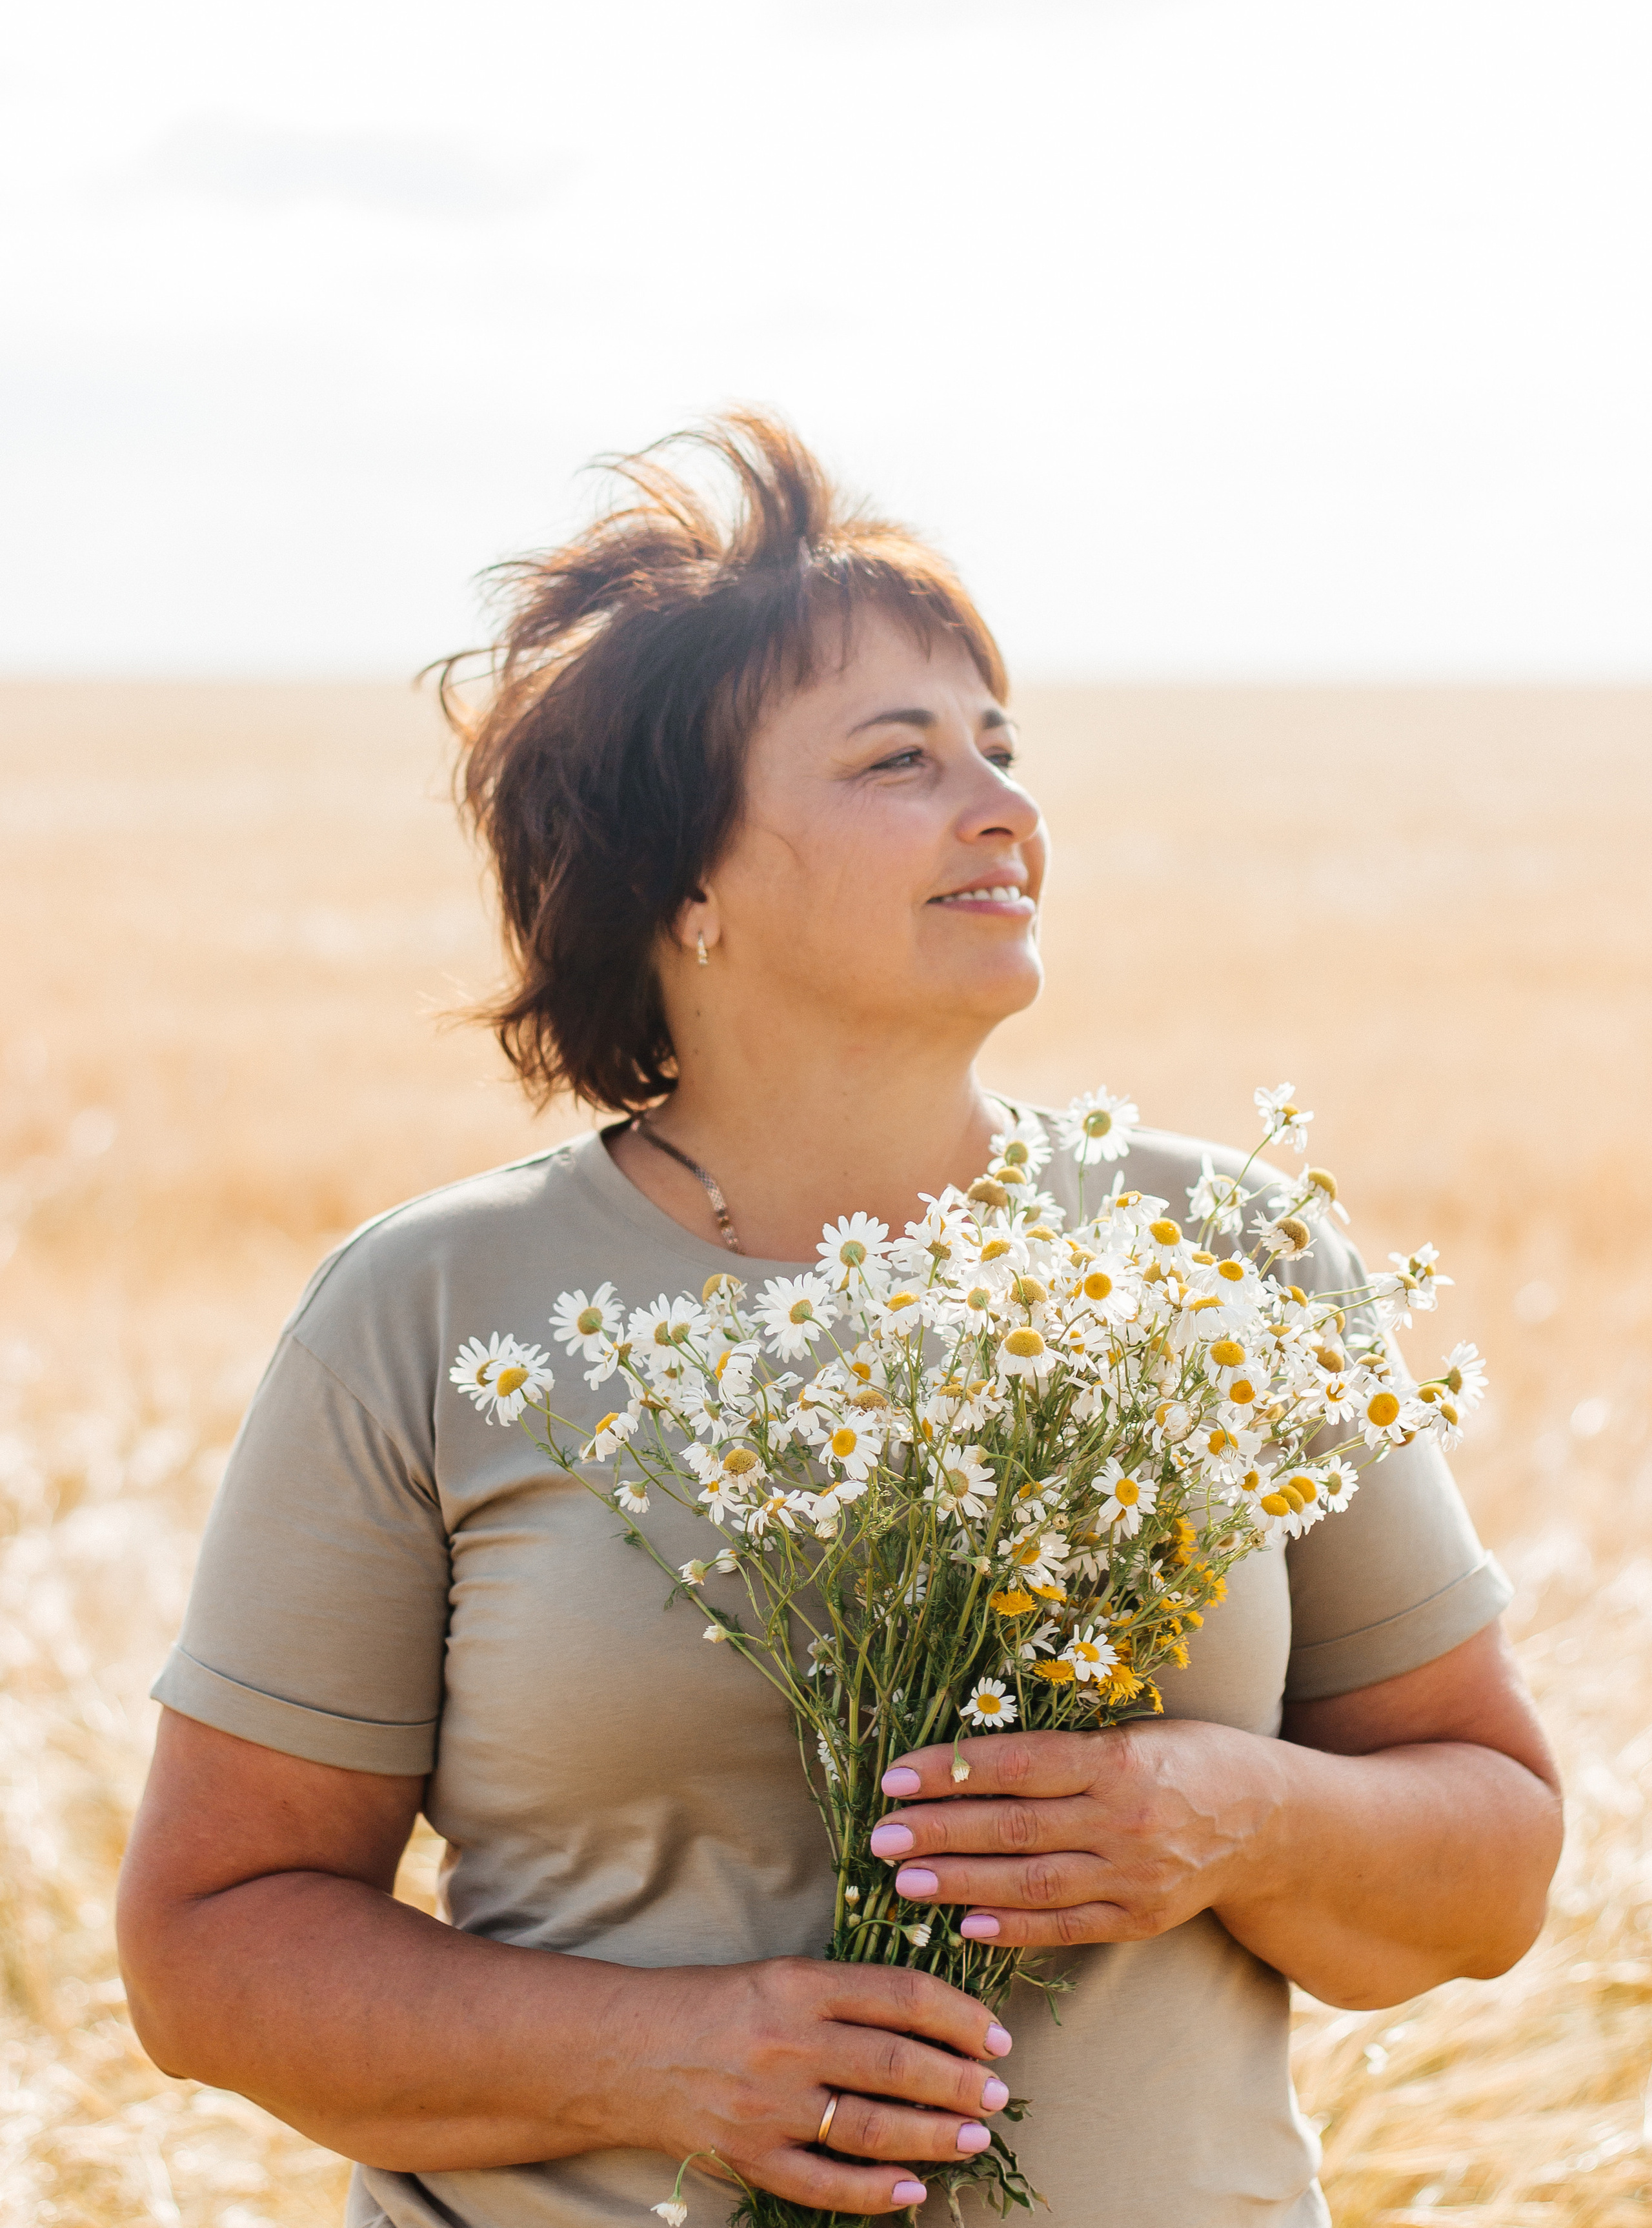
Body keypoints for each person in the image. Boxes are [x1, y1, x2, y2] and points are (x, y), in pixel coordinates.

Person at [117, 413, 1562, 2228]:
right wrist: (669, 2059)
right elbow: (206, 1952)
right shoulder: (430, 1313)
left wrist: (1231, 1812)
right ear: (684, 887)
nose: (1006, 808)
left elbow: (1495, 1861)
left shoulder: (1235, 1260)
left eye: (1002, 747)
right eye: (900, 759)